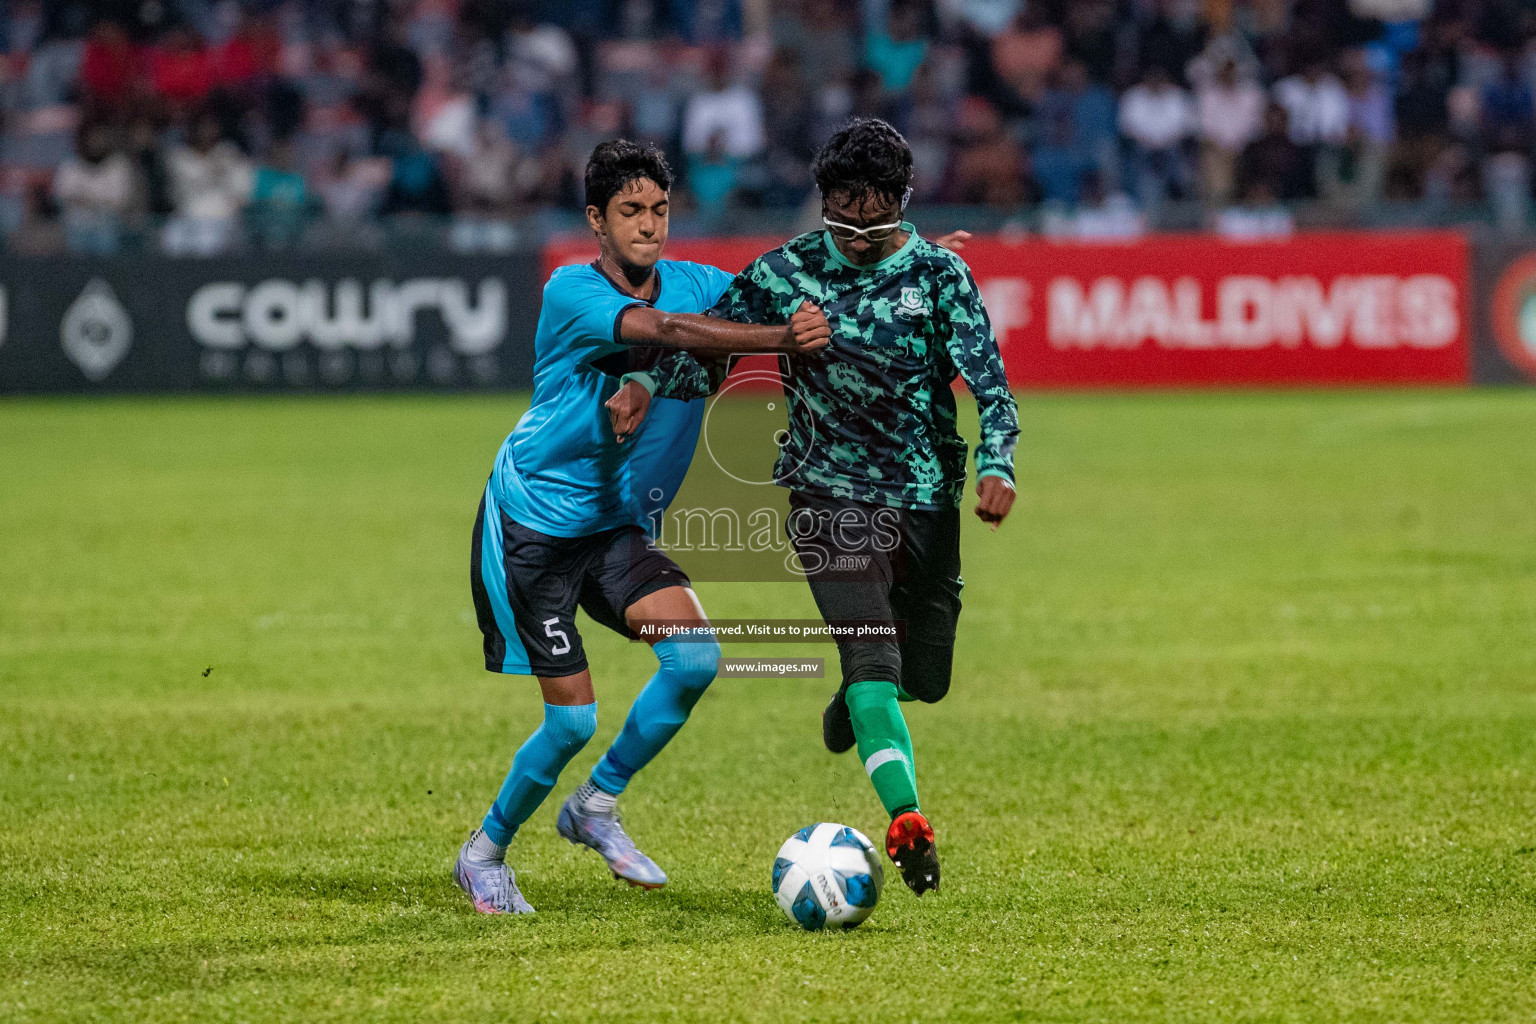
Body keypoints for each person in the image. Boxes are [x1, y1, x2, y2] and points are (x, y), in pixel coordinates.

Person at [616, 118, 1019, 897]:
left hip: (925, 497)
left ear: (903, 201)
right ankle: (907, 824)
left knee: (923, 679)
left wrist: (997, 465)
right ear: (823, 202)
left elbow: (992, 388)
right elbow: (710, 352)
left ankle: (854, 705)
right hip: (824, 491)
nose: (861, 238)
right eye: (845, 220)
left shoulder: (939, 276)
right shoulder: (785, 271)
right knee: (874, 658)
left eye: (878, 220)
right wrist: (643, 384)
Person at [452, 140, 833, 915]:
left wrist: (902, 263)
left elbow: (772, 286)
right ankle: (484, 852)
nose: (649, 224)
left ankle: (594, 806)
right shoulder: (569, 289)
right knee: (572, 721)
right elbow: (669, 332)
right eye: (630, 211)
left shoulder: (695, 281)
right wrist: (778, 344)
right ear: (596, 220)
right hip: (534, 524)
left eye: (659, 209)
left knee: (694, 659)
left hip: (614, 523)